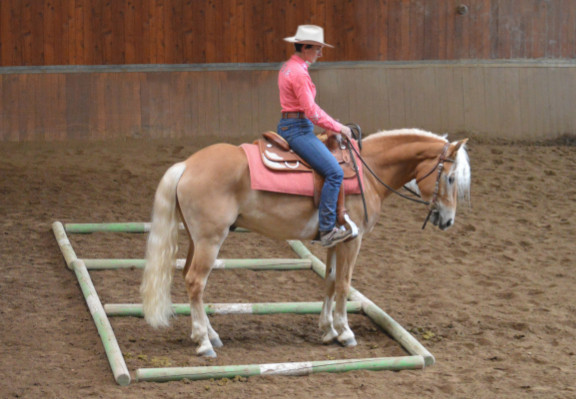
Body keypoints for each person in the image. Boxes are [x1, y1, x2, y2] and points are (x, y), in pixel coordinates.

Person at [277, 25, 355, 248]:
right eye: (318, 49)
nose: (320, 54)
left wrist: (329, 123)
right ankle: (327, 229)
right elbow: (311, 111)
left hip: (293, 124)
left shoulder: (288, 67)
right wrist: (338, 127)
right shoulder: (300, 74)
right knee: (334, 172)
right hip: (298, 129)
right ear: (306, 47)